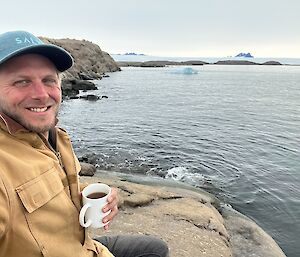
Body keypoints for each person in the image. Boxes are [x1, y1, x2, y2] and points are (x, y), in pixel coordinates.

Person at [0, 30, 169, 257]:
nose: (41, 94)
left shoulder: (51, 135)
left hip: (85, 245)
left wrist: (88, 195)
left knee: (154, 249)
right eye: (22, 82)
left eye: (49, 80)